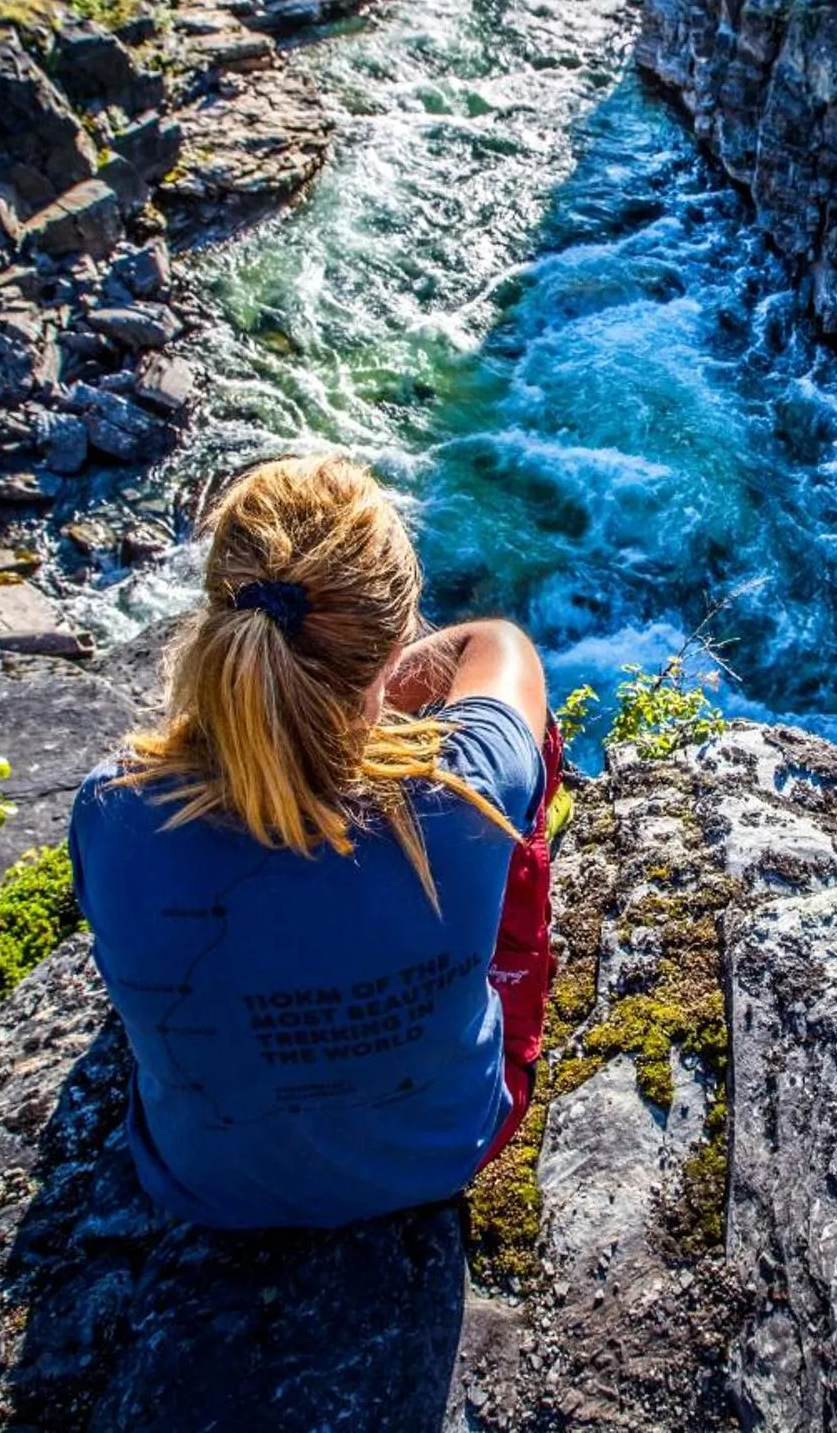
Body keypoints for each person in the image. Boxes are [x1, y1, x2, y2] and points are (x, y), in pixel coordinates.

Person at [67, 453, 559, 1231]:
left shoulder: (114, 807)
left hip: (201, 1180)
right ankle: (499, 955)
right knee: (533, 754)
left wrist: (289, 704)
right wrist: (351, 693)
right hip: (440, 1152)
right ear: (395, 643)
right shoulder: (463, 791)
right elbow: (499, 649)